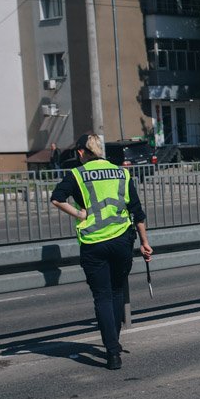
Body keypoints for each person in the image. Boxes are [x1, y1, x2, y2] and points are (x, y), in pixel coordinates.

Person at [50, 133, 152, 370]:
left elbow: (56, 199)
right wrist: (145, 242)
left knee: (102, 296)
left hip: (94, 243)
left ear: (81, 153)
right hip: (121, 241)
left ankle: (112, 351)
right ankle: (114, 345)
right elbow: (136, 210)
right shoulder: (121, 172)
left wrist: (78, 213)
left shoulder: (77, 174)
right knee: (117, 292)